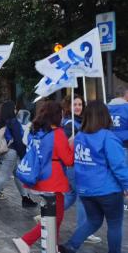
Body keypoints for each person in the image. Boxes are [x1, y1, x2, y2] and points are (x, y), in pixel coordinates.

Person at [59, 100, 128, 253]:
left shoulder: (79, 137)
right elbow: (119, 166)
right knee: (115, 224)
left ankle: (70, 246)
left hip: (85, 189)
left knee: (93, 220)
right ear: (105, 116)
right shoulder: (108, 137)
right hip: (107, 190)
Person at [12, 100, 74, 253]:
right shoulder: (58, 134)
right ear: (56, 115)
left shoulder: (36, 130)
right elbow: (68, 160)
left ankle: (54, 246)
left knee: (53, 215)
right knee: (55, 217)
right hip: (54, 179)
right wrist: (71, 144)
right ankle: (26, 240)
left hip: (39, 176)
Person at [61, 94, 101, 244]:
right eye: (74, 104)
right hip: (74, 165)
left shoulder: (77, 121)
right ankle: (83, 230)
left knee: (71, 196)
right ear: (68, 107)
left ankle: (48, 215)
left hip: (74, 165)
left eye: (80, 104)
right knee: (82, 198)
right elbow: (64, 143)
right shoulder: (70, 123)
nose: (78, 107)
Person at [0, 100, 37, 210]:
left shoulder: (1, 122)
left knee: (17, 175)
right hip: (12, 153)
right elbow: (19, 141)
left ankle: (25, 197)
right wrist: (24, 156)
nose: (16, 110)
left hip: (5, 152)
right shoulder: (13, 122)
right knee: (4, 176)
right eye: (14, 108)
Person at [108, 85, 128, 212]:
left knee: (113, 175)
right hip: (124, 145)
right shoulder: (126, 108)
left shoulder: (105, 107)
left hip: (108, 146)